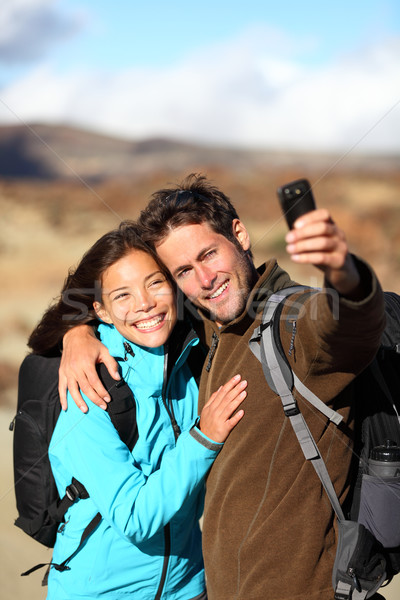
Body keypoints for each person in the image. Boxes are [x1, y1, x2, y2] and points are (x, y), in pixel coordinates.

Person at [56, 174, 385, 600]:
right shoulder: (203, 335)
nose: (205, 279)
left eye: (209, 254)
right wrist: (77, 333)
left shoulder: (291, 324)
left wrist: (344, 272)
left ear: (240, 234)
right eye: (183, 272)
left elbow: (346, 325)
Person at [28, 221, 247, 600]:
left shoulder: (190, 362)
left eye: (155, 283)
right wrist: (204, 439)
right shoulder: (87, 391)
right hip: (101, 592)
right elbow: (134, 517)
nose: (144, 303)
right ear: (102, 312)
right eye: (123, 295)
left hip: (189, 585)